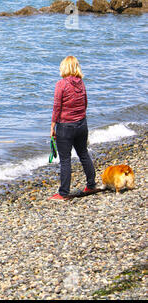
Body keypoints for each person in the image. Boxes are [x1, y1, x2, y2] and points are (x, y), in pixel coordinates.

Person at [49, 56, 97, 200]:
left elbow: (57, 107)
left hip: (65, 126)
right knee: (83, 154)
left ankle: (63, 193)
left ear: (64, 68)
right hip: (82, 124)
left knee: (65, 160)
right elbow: (85, 102)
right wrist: (80, 116)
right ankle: (91, 185)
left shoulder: (61, 84)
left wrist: (52, 126)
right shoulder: (81, 83)